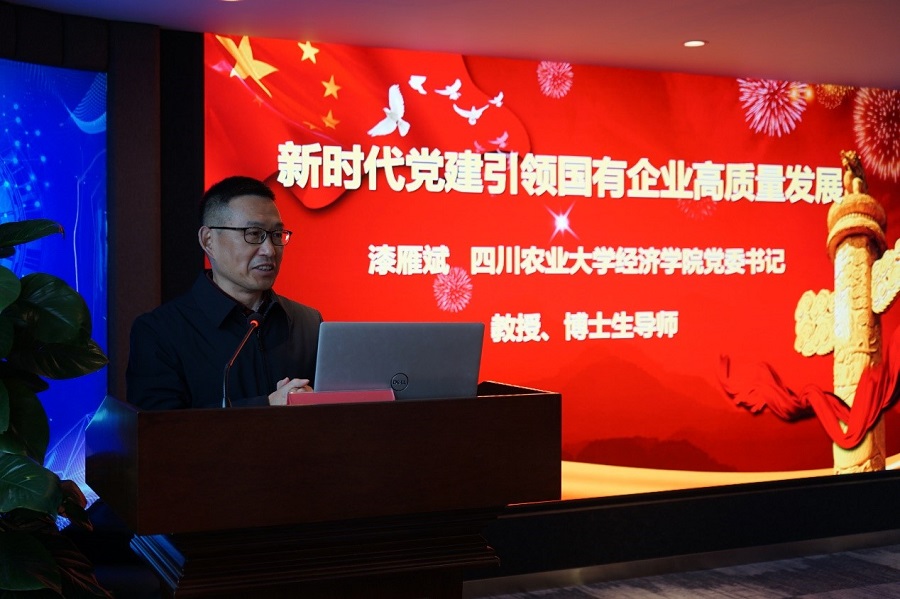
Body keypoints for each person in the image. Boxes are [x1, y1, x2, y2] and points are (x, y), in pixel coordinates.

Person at [126, 175, 322, 409]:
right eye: (253, 234)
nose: (269, 250)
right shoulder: (160, 331)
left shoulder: (309, 323)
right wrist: (267, 406)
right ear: (208, 240)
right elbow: (161, 427)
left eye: (276, 235)